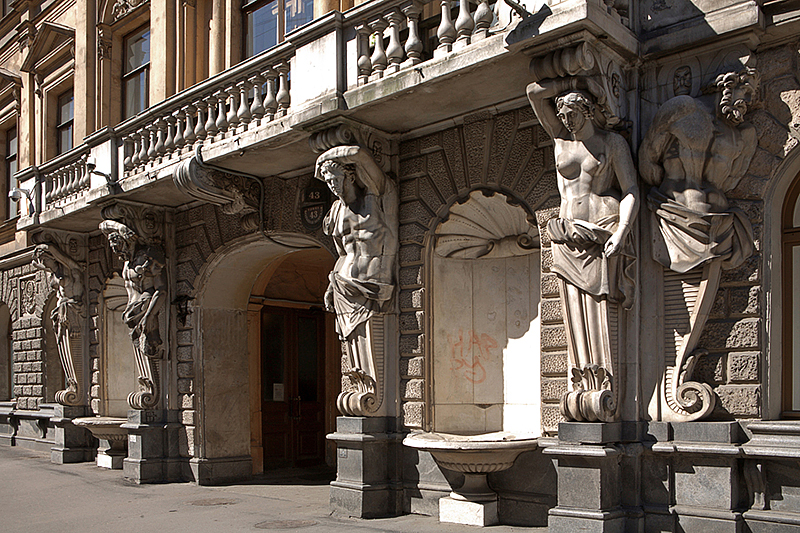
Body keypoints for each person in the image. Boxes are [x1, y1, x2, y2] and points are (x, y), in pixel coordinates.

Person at [527, 76, 639, 422]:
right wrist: (571, 73)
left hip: (599, 234)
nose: (567, 120)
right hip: (565, 237)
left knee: (600, 312)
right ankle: (582, 381)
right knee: (573, 313)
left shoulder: (611, 143)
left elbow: (632, 189)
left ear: (588, 111)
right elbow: (533, 92)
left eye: (573, 114)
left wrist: (622, 231)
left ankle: (604, 388)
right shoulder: (561, 142)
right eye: (562, 115)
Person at [639, 68, 757, 273]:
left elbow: (730, 181)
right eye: (745, 92)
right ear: (726, 88)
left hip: (721, 225)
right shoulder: (683, 109)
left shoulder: (742, 136)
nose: (747, 101)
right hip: (673, 214)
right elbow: (647, 162)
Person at [315, 145, 398, 416]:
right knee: (353, 356)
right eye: (327, 181)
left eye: (335, 179)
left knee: (373, 351)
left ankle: (373, 401)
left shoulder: (376, 198)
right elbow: (341, 253)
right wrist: (331, 286)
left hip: (373, 285)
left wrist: (334, 151)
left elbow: (364, 160)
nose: (332, 186)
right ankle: (365, 395)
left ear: (350, 176)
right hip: (343, 286)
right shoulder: (336, 212)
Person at [100, 220, 166, 359]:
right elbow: (103, 226)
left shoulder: (147, 257)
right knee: (139, 347)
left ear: (127, 242)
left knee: (150, 348)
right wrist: (119, 227)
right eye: (115, 249)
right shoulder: (128, 262)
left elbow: (161, 290)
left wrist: (150, 315)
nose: (118, 252)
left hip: (145, 306)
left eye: (119, 247)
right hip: (131, 309)